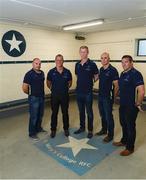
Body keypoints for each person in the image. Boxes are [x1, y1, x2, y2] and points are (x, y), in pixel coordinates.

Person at [113, 55, 145, 156]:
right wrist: (115, 96)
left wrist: (138, 103)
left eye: (126, 62)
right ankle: (124, 140)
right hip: (123, 104)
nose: (123, 64)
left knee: (130, 126)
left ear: (131, 63)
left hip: (131, 106)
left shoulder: (136, 74)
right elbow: (119, 86)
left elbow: (141, 91)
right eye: (122, 62)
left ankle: (130, 148)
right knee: (123, 123)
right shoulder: (122, 73)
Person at [74, 46, 99, 138]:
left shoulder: (92, 64)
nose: (83, 54)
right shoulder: (77, 64)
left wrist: (91, 82)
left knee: (89, 112)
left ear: (88, 52)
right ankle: (82, 127)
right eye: (81, 52)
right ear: (79, 52)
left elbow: (96, 75)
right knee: (81, 112)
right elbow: (77, 75)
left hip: (88, 92)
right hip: (79, 92)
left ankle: (90, 130)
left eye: (84, 52)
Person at [47, 54, 72, 138]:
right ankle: (53, 130)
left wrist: (64, 89)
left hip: (64, 96)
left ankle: (66, 129)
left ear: (63, 61)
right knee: (54, 113)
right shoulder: (51, 72)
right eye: (57, 60)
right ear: (55, 61)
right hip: (54, 96)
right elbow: (48, 82)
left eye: (61, 60)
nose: (59, 61)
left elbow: (70, 82)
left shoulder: (67, 72)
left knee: (65, 113)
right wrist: (52, 89)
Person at [96, 52, 119, 143]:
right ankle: (104, 130)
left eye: (105, 58)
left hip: (107, 97)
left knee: (109, 116)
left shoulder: (113, 70)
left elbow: (117, 86)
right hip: (100, 96)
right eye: (102, 58)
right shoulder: (101, 69)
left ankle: (110, 135)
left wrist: (114, 98)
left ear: (109, 59)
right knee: (102, 114)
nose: (103, 60)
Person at [22, 58, 46, 141]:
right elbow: (24, 88)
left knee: (40, 114)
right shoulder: (29, 74)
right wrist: (31, 94)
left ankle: (38, 128)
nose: (38, 65)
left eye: (39, 63)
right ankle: (32, 133)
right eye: (36, 63)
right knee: (34, 116)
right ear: (33, 64)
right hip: (34, 98)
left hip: (42, 97)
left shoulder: (42, 73)